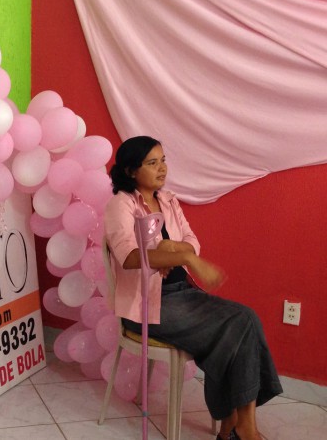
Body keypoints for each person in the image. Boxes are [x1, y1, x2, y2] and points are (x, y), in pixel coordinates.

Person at [104, 136, 282, 440]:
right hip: (148, 306)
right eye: (152, 163)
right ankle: (239, 427)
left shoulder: (168, 200)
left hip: (184, 294)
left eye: (163, 160)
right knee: (235, 325)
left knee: (245, 318)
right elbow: (130, 257)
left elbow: (192, 241)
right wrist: (181, 255)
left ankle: (237, 424)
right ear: (132, 170)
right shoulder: (121, 204)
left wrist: (173, 248)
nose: (162, 168)